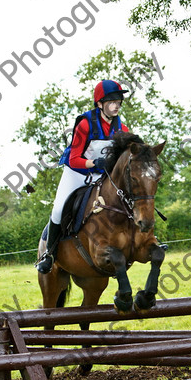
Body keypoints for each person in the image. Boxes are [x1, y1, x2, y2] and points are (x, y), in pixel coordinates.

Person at [36, 80, 129, 274]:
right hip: (77, 173)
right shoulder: (86, 124)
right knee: (59, 209)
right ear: (99, 104)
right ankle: (49, 255)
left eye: (118, 101)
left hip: (100, 177)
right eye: (111, 101)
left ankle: (139, 243)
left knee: (127, 200)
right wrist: (94, 164)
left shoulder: (123, 129)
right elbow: (74, 157)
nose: (116, 105)